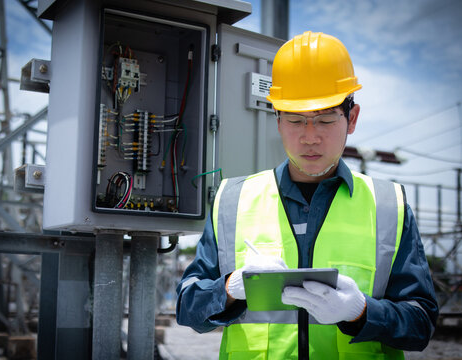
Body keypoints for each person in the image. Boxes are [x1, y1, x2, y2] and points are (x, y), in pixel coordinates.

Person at [176, 31, 438, 359]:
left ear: (352, 119)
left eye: (325, 120)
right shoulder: (233, 201)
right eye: (296, 120)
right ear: (277, 120)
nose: (309, 137)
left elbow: (422, 323)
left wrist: (360, 312)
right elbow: (187, 307)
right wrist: (230, 288)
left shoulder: (388, 206)